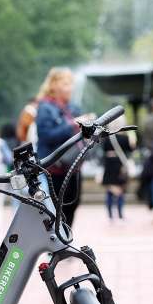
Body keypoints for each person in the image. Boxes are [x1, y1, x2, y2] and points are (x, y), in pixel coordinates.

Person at [36, 67, 87, 227]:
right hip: (55, 168)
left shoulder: (72, 108)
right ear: (53, 85)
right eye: (65, 83)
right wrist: (72, 124)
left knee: (72, 204)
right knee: (56, 208)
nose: (70, 88)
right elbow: (45, 135)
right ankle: (56, 246)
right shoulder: (45, 107)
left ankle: (64, 244)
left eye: (71, 83)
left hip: (73, 166)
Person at [100, 113, 135, 221]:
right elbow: (131, 149)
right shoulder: (125, 138)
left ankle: (110, 215)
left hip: (109, 164)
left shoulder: (106, 138)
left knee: (110, 190)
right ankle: (120, 214)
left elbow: (103, 150)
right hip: (120, 164)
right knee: (120, 190)